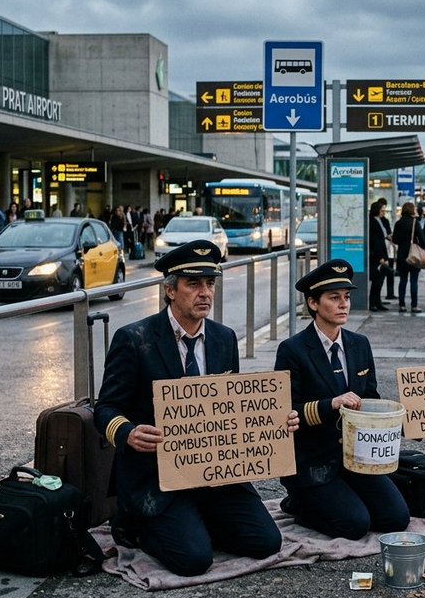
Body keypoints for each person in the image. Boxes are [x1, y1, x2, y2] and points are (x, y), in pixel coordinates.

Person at [94, 240, 298, 576]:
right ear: (170, 290)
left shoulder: (224, 338)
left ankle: (194, 521)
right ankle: (134, 523)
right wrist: (128, 433)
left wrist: (274, 421)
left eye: (209, 283)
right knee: (194, 560)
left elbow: (233, 409)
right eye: (193, 284)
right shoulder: (134, 338)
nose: (205, 293)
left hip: (214, 474)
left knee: (266, 542)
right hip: (157, 477)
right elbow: (106, 408)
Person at [273, 262, 409, 539]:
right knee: (355, 525)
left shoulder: (359, 344)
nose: (343, 304)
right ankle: (299, 503)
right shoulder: (292, 350)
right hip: (313, 462)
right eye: (334, 298)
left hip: (355, 459)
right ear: (313, 303)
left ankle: (337, 499)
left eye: (346, 297)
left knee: (396, 518)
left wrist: (418, 428)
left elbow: (371, 402)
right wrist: (331, 404)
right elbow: (285, 412)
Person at [391, 201, 425, 313]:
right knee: (414, 281)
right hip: (414, 254)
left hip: (402, 255)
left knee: (403, 280)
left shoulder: (398, 223)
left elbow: (395, 240)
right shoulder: (415, 223)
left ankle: (402, 305)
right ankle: (414, 305)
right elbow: (422, 239)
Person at [367, 202, 390, 312]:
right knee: (376, 280)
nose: (383, 213)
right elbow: (374, 241)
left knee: (380, 280)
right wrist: (380, 257)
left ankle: (377, 302)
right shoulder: (372, 222)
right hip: (376, 256)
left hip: (382, 253)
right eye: (382, 210)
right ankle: (373, 302)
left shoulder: (380, 220)